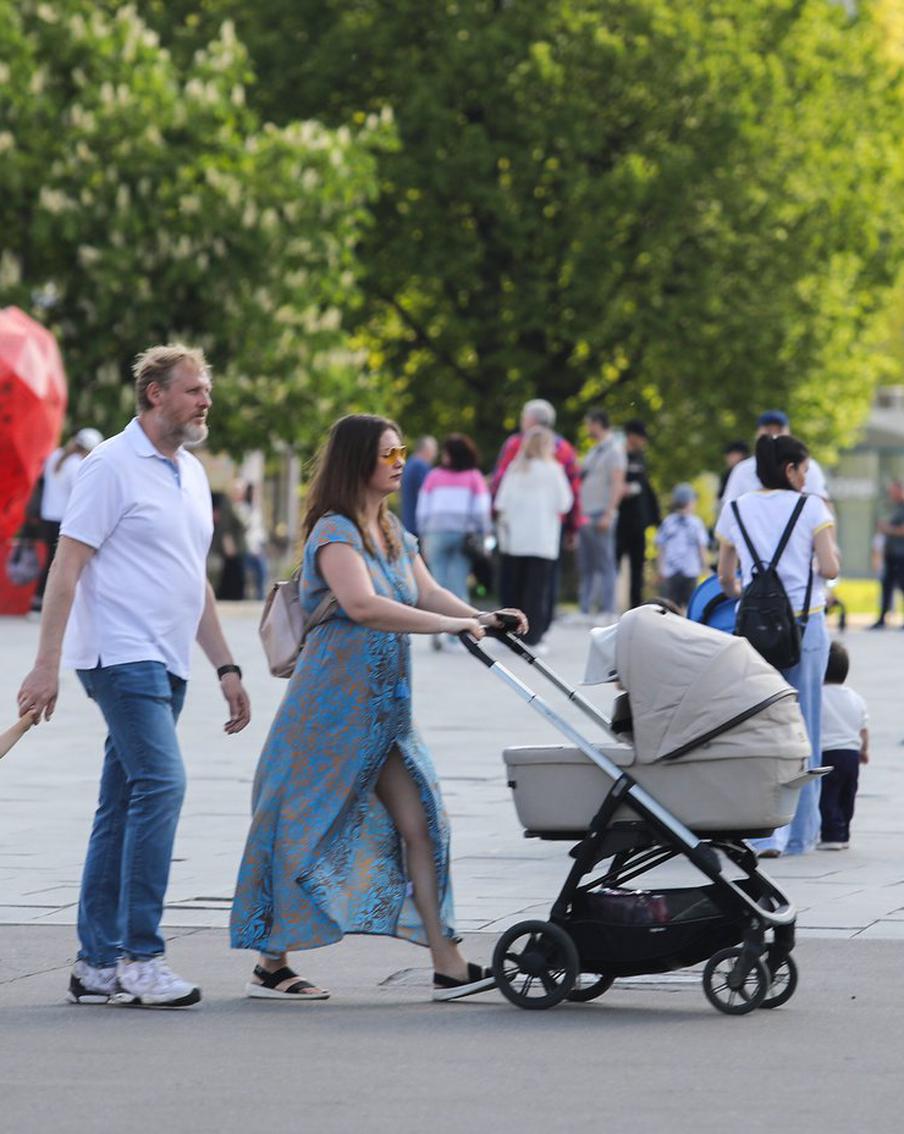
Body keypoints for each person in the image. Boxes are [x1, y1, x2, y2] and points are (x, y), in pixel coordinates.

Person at [229, 414, 527, 1002]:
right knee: (302, 826)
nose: (399, 462)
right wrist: (448, 626)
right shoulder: (334, 532)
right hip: (329, 710)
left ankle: (447, 964)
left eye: (401, 451)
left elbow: (427, 592)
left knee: (426, 822)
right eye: (388, 453)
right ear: (357, 460)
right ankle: (271, 964)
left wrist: (480, 617)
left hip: (387, 711)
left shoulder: (391, 529)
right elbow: (362, 605)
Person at [15, 343, 251, 1008]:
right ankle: (139, 957)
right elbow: (67, 567)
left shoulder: (191, 474)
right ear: (156, 394)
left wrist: (226, 665)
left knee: (120, 806)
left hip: (170, 659)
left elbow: (193, 582)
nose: (206, 401)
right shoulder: (110, 465)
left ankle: (95, 965)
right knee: (163, 784)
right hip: (119, 655)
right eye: (194, 390)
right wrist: (46, 663)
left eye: (206, 390)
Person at [716, 434, 839, 857]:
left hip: (754, 631)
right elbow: (830, 567)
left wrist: (745, 593)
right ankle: (801, 834)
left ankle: (762, 833)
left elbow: (725, 576)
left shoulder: (736, 507)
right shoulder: (812, 508)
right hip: (805, 624)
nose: (806, 477)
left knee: (761, 728)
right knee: (806, 726)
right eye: (803, 469)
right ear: (789, 469)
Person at [490, 399, 582, 625]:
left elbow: (499, 484)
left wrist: (495, 517)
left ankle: (509, 626)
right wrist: (573, 527)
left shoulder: (515, 445)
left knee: (513, 581)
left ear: (531, 420)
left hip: (516, 532)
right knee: (543, 583)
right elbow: (572, 492)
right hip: (547, 530)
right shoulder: (564, 449)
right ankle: (539, 627)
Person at [495, 426, 573, 648]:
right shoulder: (554, 470)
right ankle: (533, 637)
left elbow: (501, 502)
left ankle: (508, 633)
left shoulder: (515, 469)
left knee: (514, 589)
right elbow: (565, 503)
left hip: (516, 540)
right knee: (537, 592)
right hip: (542, 539)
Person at [416, 433, 492, 650]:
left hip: (435, 533)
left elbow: (423, 507)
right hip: (463, 535)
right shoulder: (473, 477)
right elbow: (481, 509)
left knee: (436, 586)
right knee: (458, 585)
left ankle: (437, 632)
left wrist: (423, 532)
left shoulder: (434, 476)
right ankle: (457, 636)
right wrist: (484, 532)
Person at [31, 428, 104, 612]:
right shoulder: (76, 465)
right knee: (61, 566)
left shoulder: (55, 457)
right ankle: (46, 604)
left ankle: (37, 601)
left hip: (47, 518)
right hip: (63, 520)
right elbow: (81, 493)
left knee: (50, 562)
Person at [818, 640, 869, 851]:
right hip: (851, 755)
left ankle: (831, 836)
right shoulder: (855, 697)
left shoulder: (818, 696)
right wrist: (864, 750)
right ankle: (844, 832)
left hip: (828, 753)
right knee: (847, 795)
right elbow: (863, 729)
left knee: (828, 794)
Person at [721, 411, 830, 506]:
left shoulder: (809, 466)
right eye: (768, 431)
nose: (774, 436)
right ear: (758, 434)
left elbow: (822, 504)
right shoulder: (742, 469)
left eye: (779, 431)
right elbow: (729, 506)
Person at [577, 409, 626, 620]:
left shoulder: (614, 450)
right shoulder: (594, 450)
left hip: (601, 512)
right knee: (587, 564)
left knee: (605, 563)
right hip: (586, 512)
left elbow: (617, 483)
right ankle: (585, 609)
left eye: (589, 424)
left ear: (598, 424)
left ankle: (608, 610)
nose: (588, 429)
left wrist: (610, 512)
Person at [616, 419, 660, 608]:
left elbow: (645, 489)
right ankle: (609, 604)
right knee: (614, 563)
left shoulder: (640, 458)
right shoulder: (618, 456)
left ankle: (635, 606)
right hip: (620, 520)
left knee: (637, 568)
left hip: (638, 522)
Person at [655, 484, 709, 611]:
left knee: (671, 606)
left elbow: (661, 548)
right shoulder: (696, 523)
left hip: (671, 571)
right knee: (690, 605)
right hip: (690, 570)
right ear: (689, 502)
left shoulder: (668, 522)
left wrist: (660, 568)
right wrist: (705, 567)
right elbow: (701, 548)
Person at [870, 480, 904, 629]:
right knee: (886, 585)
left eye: (893, 491)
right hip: (891, 555)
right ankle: (882, 618)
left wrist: (886, 528)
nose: (891, 494)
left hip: (901, 555)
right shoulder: (894, 508)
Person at [400, 435, 437, 536]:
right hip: (418, 526)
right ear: (426, 450)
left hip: (409, 523)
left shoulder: (410, 463)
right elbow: (429, 494)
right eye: (434, 450)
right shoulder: (420, 466)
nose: (435, 454)